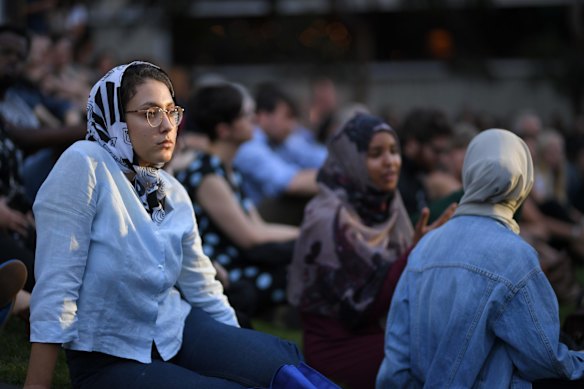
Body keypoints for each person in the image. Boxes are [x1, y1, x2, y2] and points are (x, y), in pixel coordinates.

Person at [24, 61, 306, 389]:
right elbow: (57, 287)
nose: (167, 126)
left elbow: (203, 287)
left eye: (172, 112)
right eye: (149, 113)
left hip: (178, 329)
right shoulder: (85, 164)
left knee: (282, 362)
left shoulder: (171, 190)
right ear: (116, 120)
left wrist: (238, 346)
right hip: (110, 355)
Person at [377, 129, 584, 388]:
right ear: (524, 179)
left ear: (469, 173)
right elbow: (544, 359)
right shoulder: (515, 257)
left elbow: (396, 359)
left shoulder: (424, 248)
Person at [287, 113, 454, 389]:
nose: (390, 162)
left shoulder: (384, 203)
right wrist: (414, 252)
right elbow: (359, 307)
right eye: (376, 154)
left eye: (394, 151)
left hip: (381, 328)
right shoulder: (328, 217)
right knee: (443, 356)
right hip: (342, 345)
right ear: (351, 159)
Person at [174, 82, 299, 320]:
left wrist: (306, 233)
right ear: (224, 130)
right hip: (224, 270)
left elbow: (259, 226)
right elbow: (250, 237)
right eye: (245, 115)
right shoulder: (206, 172)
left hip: (240, 258)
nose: (254, 119)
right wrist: (307, 236)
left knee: (306, 256)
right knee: (300, 268)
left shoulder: (229, 170)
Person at [233, 82, 326, 224]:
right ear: (263, 116)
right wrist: (339, 176)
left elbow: (316, 156)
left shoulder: (280, 140)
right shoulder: (249, 145)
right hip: (251, 220)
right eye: (287, 117)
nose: (292, 125)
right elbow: (288, 183)